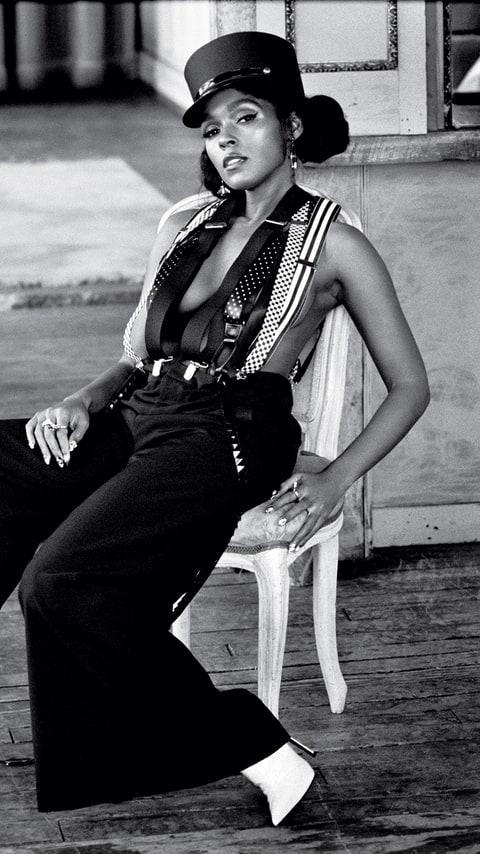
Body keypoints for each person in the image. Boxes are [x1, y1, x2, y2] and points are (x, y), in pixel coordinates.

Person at [0, 31, 429, 823]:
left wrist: (336, 477)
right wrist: (82, 400)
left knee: (59, 581)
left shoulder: (334, 243)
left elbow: (411, 387)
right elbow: (136, 357)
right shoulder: (186, 226)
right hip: (142, 411)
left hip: (228, 434)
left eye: (245, 117)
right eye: (210, 128)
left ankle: (257, 746)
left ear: (291, 125)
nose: (225, 139)